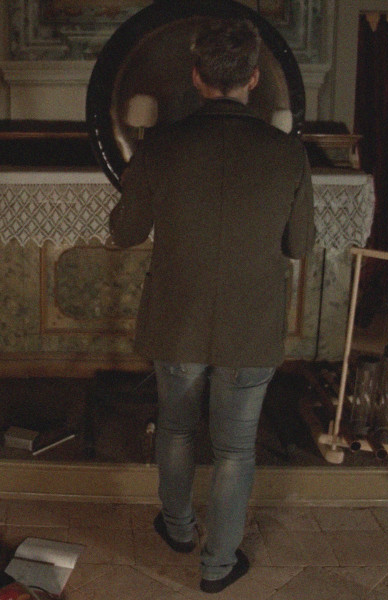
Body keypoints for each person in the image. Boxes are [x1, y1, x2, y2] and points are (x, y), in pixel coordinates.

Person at [108, 17, 314, 594]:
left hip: (178, 319)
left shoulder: (160, 146)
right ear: (253, 78)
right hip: (251, 324)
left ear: (197, 77)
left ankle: (178, 528)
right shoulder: (287, 153)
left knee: (175, 428)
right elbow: (299, 245)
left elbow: (124, 232)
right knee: (235, 449)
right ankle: (218, 565)